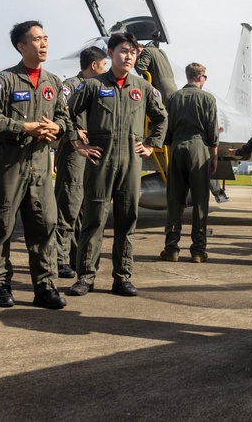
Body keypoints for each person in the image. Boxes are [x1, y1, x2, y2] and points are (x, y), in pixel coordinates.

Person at [0, 21, 72, 310]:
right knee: (1, 225)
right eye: (36, 40)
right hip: (10, 165)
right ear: (21, 46)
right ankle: (0, 285)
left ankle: (45, 287)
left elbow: (66, 121)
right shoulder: (3, 80)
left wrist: (55, 128)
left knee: (45, 225)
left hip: (41, 168)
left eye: (45, 38)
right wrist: (24, 127)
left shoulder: (54, 83)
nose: (43, 44)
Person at [68, 31, 167, 297]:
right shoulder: (93, 85)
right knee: (94, 219)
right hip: (101, 159)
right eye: (123, 51)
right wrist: (77, 141)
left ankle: (122, 277)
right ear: (110, 53)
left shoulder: (143, 88)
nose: (129, 56)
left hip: (131, 162)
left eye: (133, 52)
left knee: (127, 220)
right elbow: (67, 111)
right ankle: (85, 277)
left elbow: (161, 118)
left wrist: (150, 144)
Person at [54, 46, 107, 279]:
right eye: (103, 64)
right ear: (94, 65)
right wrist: (74, 132)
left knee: (84, 208)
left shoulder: (99, 88)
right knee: (69, 205)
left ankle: (76, 256)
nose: (105, 69)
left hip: (92, 153)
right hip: (74, 152)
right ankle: (59, 259)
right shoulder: (70, 85)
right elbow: (60, 112)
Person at [160, 63, 218, 263]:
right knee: (200, 201)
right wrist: (214, 156)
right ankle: (198, 250)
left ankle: (171, 249)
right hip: (199, 148)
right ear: (201, 77)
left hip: (176, 147)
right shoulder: (208, 99)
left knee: (174, 201)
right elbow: (212, 131)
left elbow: (166, 133)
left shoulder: (173, 98)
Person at [134, 32, 177, 101]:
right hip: (173, 88)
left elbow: (140, 68)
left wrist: (137, 59)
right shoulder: (161, 51)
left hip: (162, 89)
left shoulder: (146, 51)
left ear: (138, 50)